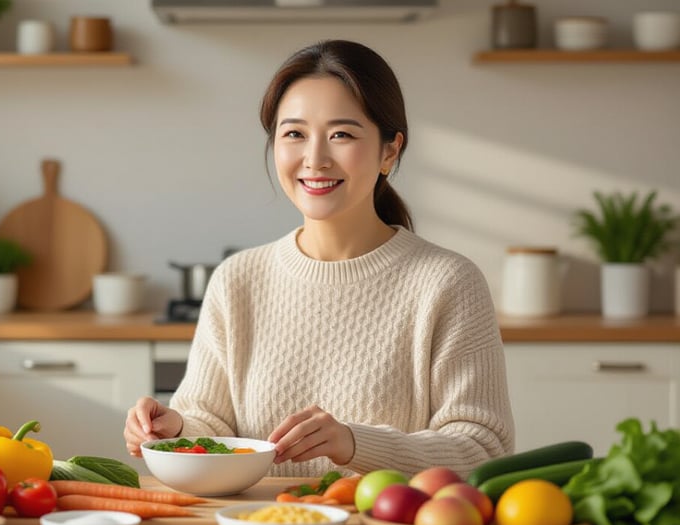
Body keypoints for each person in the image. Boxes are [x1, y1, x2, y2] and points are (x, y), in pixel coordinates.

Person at [123, 40, 514, 479]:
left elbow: (483, 449)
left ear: (389, 151)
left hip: (380, 521)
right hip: (258, 520)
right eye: (294, 134)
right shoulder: (238, 279)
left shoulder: (448, 283)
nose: (315, 159)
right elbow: (211, 424)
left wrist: (355, 444)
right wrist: (176, 430)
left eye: (341, 135)